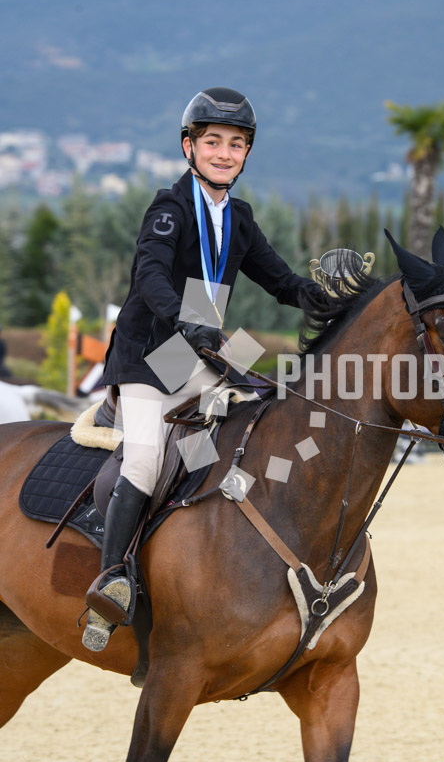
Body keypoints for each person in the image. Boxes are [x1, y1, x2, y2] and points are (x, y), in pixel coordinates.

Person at [83, 86, 323, 651]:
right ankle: (111, 581)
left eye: (236, 144)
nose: (224, 153)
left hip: (205, 347)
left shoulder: (238, 217)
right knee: (145, 460)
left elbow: (282, 282)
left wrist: (330, 295)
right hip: (151, 353)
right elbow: (150, 277)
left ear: (246, 154)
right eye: (212, 141)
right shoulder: (169, 209)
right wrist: (185, 320)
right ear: (189, 147)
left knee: (269, 408)